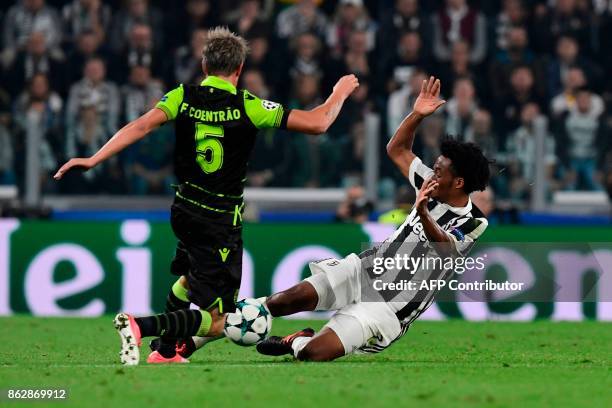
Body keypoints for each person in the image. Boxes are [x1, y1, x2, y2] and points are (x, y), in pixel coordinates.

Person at [54, 27, 359, 365]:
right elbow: (318, 123)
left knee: (189, 282)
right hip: (219, 222)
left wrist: (93, 158)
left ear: (203, 66)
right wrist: (338, 93)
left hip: (184, 209)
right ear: (239, 70)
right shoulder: (248, 105)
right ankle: (140, 326)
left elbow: (139, 127)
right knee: (220, 322)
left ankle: (165, 353)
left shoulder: (180, 97)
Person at [255, 76, 491, 361]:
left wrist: (422, 212)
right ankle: (214, 326)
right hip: (364, 271)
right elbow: (397, 150)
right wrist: (417, 114)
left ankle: (297, 341)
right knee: (283, 301)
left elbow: (445, 247)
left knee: (313, 354)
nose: (433, 173)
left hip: (389, 308)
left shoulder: (474, 222)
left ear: (458, 183)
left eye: (440, 172)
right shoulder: (429, 182)